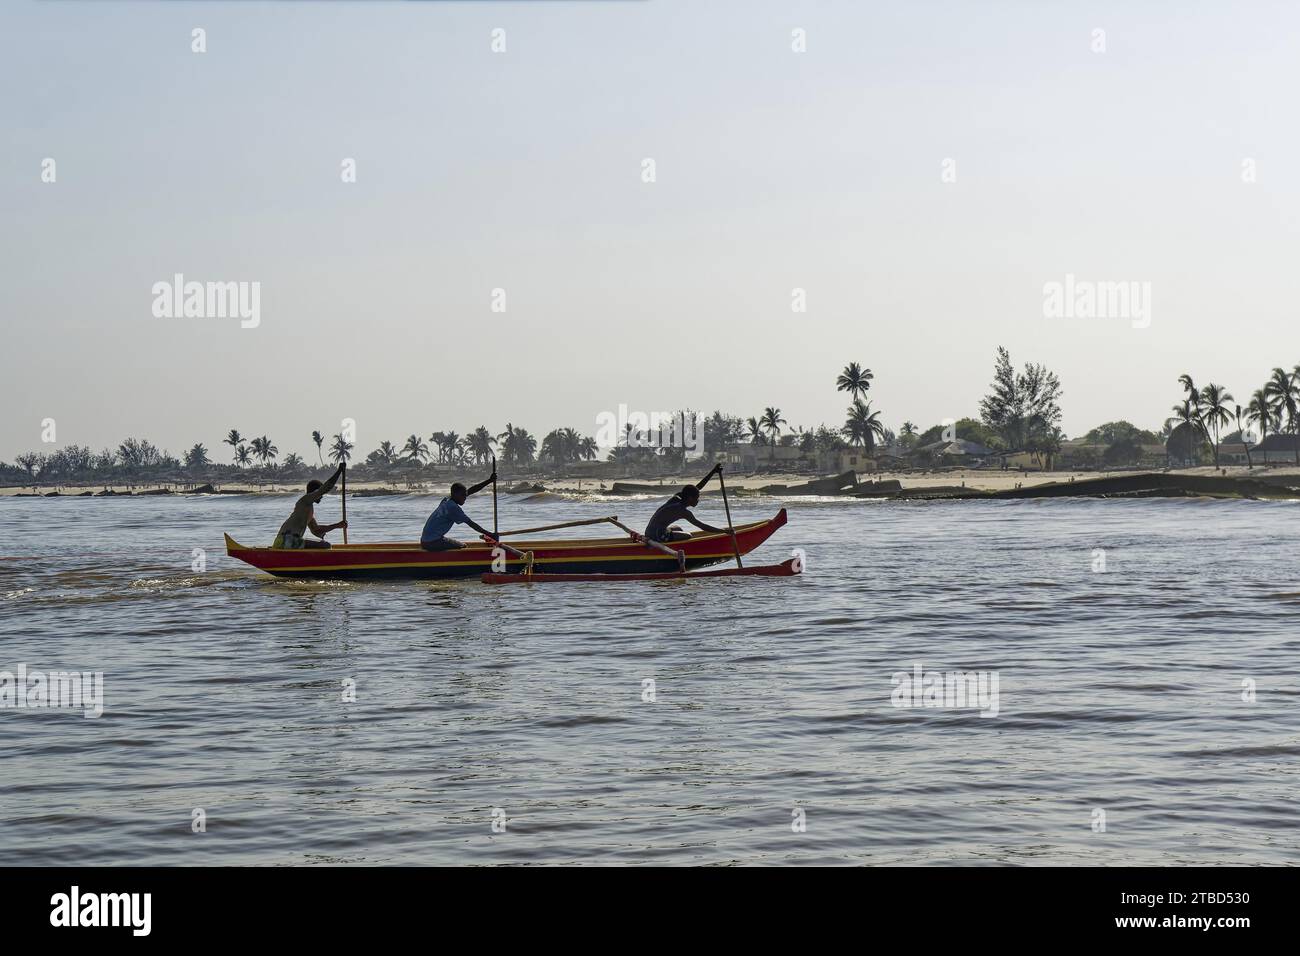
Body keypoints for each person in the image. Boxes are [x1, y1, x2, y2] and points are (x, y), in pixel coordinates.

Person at [643, 463, 728, 543]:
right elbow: (702, 526)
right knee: (688, 536)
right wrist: (724, 531)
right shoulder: (683, 511)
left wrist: (713, 471)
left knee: (678, 528)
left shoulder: (677, 497)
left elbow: (698, 487)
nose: (698, 501)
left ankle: (671, 540)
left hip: (649, 532)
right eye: (697, 498)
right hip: (656, 536)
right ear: (690, 498)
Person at [421, 467, 499, 551]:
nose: (465, 498)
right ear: (454, 494)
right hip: (432, 542)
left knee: (459, 544)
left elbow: (472, 489)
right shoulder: (453, 508)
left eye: (465, 495)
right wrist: (490, 534)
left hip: (425, 540)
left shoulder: (447, 500)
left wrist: (489, 480)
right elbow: (471, 524)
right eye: (462, 495)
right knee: (463, 546)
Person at [273, 463, 347, 549]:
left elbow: (317, 530)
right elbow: (325, 488)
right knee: (326, 546)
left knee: (324, 544)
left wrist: (337, 526)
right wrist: (339, 471)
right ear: (315, 492)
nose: (322, 496)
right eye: (320, 494)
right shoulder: (305, 500)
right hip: (287, 541)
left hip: (284, 542)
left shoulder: (307, 510)